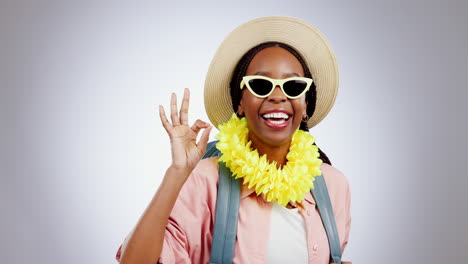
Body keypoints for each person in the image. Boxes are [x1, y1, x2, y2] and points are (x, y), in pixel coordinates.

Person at [117, 16, 351, 264]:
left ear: (306, 105)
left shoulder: (334, 186)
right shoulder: (205, 180)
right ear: (240, 103)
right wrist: (177, 172)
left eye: (293, 86)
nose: (277, 96)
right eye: (261, 85)